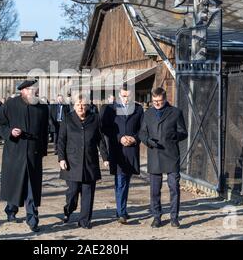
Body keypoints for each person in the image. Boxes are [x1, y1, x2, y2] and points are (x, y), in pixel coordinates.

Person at [0, 79, 49, 233]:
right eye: (33, 90)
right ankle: (11, 210)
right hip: (15, 152)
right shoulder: (10, 105)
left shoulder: (42, 108)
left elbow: (45, 131)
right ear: (23, 91)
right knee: (14, 184)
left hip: (34, 153)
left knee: (32, 187)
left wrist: (43, 151)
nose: (36, 92)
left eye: (36, 90)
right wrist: (10, 132)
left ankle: (32, 219)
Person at [58, 94, 109, 229]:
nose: (81, 107)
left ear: (87, 106)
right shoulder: (68, 119)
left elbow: (100, 140)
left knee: (88, 192)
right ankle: (68, 209)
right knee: (73, 191)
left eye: (83, 104)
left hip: (89, 161)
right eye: (78, 104)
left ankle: (84, 221)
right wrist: (61, 158)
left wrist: (105, 158)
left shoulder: (95, 119)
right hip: (72, 162)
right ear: (74, 106)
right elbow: (61, 140)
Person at [139, 88, 188, 228]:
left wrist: (175, 136)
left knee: (174, 187)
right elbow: (142, 133)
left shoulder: (176, 112)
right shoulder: (147, 114)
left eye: (160, 101)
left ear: (165, 99)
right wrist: (148, 141)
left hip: (171, 155)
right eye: (154, 101)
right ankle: (156, 217)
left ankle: (174, 217)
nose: (157, 103)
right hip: (154, 154)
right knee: (155, 190)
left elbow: (183, 133)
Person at [101, 84, 144, 224]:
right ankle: (121, 213)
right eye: (123, 96)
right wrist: (119, 137)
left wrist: (135, 138)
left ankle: (121, 210)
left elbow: (143, 129)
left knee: (125, 181)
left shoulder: (138, 109)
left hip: (131, 149)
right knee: (121, 181)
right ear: (119, 94)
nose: (126, 99)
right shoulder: (110, 109)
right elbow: (106, 129)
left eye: (128, 96)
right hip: (117, 149)